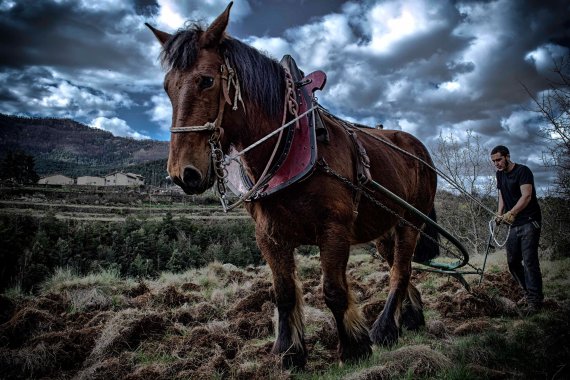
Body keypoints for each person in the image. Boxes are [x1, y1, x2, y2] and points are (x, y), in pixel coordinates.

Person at [490, 145, 543, 313]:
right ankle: (528, 293)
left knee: (529, 261)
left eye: (499, 159)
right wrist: (499, 214)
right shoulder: (499, 175)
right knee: (512, 262)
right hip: (513, 224)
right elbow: (502, 195)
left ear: (507, 156)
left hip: (529, 221)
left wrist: (512, 212)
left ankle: (535, 301)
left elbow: (526, 195)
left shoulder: (523, 171)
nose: (496, 164)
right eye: (494, 161)